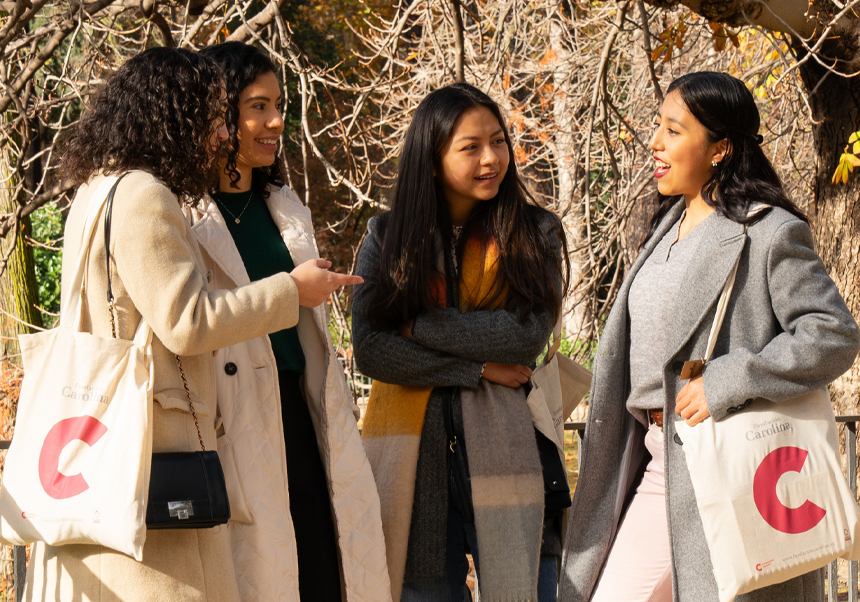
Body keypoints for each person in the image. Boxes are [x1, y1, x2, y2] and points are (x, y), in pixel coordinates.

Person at [25, 47, 358, 602]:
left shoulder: (94, 191)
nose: (219, 135)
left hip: (103, 432)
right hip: (158, 440)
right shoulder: (144, 195)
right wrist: (289, 291)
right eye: (211, 117)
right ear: (175, 116)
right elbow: (186, 320)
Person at [559, 71, 860, 602]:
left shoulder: (768, 231)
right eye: (658, 126)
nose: (654, 142)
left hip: (726, 462)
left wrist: (728, 378)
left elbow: (832, 333)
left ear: (720, 147)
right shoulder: (661, 229)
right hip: (657, 459)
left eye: (673, 131)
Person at [352, 82, 570, 602]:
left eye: (497, 141)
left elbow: (522, 335)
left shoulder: (534, 231)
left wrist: (415, 324)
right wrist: (475, 370)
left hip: (510, 446)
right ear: (432, 159)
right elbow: (370, 349)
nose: (491, 158)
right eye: (470, 147)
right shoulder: (387, 238)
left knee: (525, 588)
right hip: (415, 464)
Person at [194, 41, 391, 602]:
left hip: (300, 409)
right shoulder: (183, 210)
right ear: (218, 112)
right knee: (257, 576)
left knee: (322, 569)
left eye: (278, 104)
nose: (276, 120)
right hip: (230, 418)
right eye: (258, 106)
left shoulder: (284, 204)